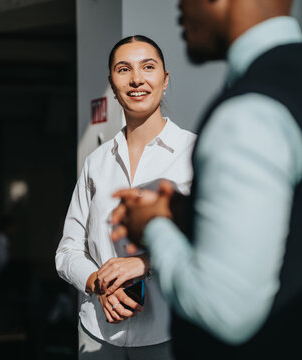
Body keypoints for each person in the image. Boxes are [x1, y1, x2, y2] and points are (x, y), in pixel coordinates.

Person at [109, 1, 302, 359]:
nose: (179, 8)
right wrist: (187, 216)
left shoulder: (247, 112)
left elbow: (226, 310)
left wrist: (153, 226)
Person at [55, 35, 196, 360]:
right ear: (112, 83)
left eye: (148, 67)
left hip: (171, 334)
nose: (136, 79)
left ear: (165, 78)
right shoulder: (96, 162)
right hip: (97, 336)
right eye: (123, 69)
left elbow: (213, 242)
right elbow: (68, 250)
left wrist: (144, 263)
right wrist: (96, 281)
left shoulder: (194, 153)